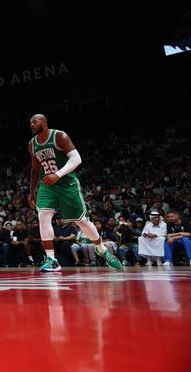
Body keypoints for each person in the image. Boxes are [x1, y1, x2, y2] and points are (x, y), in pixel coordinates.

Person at [28, 114, 122, 272]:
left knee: (81, 221)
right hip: (48, 185)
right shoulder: (32, 144)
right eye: (30, 122)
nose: (31, 124)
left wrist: (58, 174)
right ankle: (52, 260)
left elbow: (76, 159)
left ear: (44, 122)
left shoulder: (59, 136)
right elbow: (35, 168)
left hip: (66, 182)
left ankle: (102, 249)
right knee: (43, 215)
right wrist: (31, 192)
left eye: (35, 121)